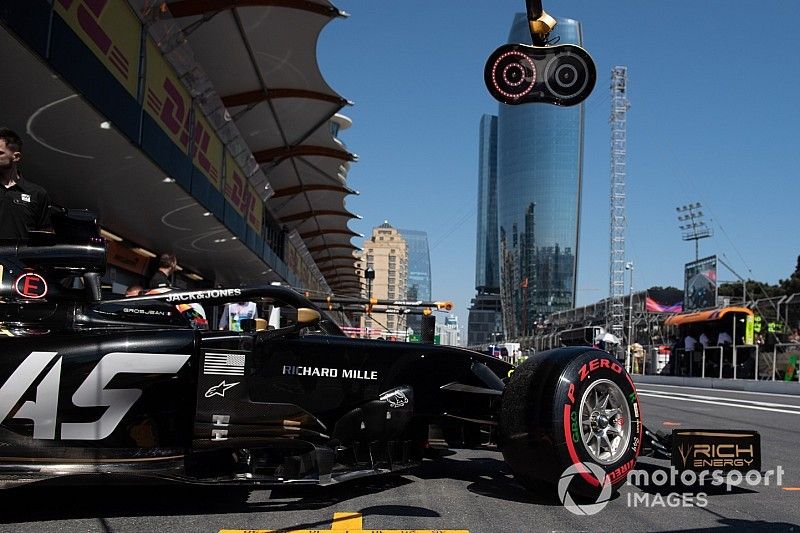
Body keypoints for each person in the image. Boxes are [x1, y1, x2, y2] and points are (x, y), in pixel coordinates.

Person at [0, 127, 52, 239]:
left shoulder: (37, 194)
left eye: (0, 153)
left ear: (16, 157)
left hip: (19, 256)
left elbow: (44, 236)